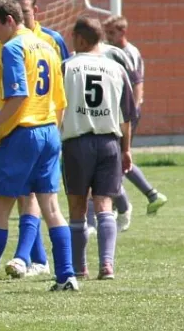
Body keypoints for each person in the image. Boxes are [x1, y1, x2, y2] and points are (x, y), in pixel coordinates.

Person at [0, 0, 77, 295]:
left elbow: (18, 96)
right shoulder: (47, 47)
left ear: (9, 21)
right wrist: (52, 133)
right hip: (49, 131)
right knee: (51, 207)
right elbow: (60, 101)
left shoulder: (12, 48)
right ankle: (66, 276)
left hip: (22, 134)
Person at [61, 16, 136, 279]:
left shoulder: (67, 67)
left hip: (77, 142)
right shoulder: (116, 69)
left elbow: (56, 107)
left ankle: (80, 267)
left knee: (77, 207)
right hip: (109, 143)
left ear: (81, 39)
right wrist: (126, 150)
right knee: (104, 204)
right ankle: (107, 265)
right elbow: (127, 116)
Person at [103, 15, 167, 215]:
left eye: (111, 33)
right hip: (120, 113)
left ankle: (127, 202)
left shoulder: (129, 53)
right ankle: (149, 195)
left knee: (117, 158)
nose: (108, 37)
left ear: (123, 32)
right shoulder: (112, 52)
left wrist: (134, 109)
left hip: (126, 114)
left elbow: (137, 83)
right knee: (117, 158)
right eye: (107, 33)